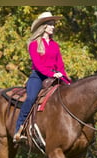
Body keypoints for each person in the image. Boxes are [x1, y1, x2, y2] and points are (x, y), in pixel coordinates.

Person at [13, 11, 72, 143]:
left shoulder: (55, 45)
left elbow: (60, 65)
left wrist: (67, 81)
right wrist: (52, 74)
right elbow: (38, 66)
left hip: (55, 76)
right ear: (43, 27)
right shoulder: (34, 44)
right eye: (50, 25)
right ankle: (19, 128)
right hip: (38, 77)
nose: (53, 27)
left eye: (53, 25)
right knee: (31, 98)